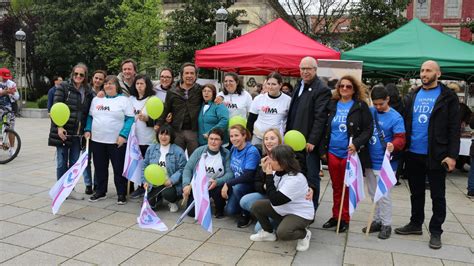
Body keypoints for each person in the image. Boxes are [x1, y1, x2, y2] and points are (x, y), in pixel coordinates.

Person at [395, 60, 460, 250]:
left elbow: (454, 128)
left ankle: (436, 231)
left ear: (438, 74)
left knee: (438, 195)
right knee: (416, 192)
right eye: (422, 70)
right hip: (413, 152)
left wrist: (452, 155)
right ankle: (415, 224)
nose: (424, 73)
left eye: (428, 70)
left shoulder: (448, 97)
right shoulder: (413, 95)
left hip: (437, 154)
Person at [320, 75, 373, 233]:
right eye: (341, 86)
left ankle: (345, 218)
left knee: (347, 187)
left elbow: (368, 129)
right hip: (332, 152)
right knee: (336, 187)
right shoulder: (332, 104)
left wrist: (356, 144)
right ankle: (335, 216)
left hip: (349, 154)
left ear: (354, 89)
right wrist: (322, 149)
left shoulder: (360, 106)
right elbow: (324, 127)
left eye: (348, 86)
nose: (344, 89)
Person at [286, 56, 332, 212]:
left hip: (308, 144)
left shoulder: (322, 89)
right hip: (293, 142)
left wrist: (312, 140)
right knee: (295, 174)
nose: (305, 72)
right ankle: (296, 206)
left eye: (308, 68)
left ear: (315, 69)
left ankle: (311, 209)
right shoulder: (299, 85)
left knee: (312, 177)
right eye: (302, 68)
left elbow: (320, 118)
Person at [250, 145, 314, 252]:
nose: (269, 160)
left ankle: (304, 234)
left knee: (283, 233)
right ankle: (268, 233)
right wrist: (265, 171)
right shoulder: (278, 171)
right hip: (284, 209)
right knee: (257, 206)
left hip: (300, 213)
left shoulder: (295, 179)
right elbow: (267, 188)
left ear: (283, 162)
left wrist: (268, 175)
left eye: (272, 159)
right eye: (269, 157)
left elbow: (275, 200)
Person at [363, 85, 406, 239]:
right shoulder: (371, 111)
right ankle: (377, 220)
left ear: (388, 99)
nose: (378, 107)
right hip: (370, 160)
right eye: (375, 104)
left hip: (386, 163)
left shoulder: (396, 117)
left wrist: (394, 144)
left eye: (381, 103)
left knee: (385, 195)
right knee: (373, 193)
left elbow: (401, 138)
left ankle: (386, 224)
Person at [84, 75, 134, 205]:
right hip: (97, 140)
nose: (108, 86)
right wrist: (87, 129)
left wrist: (123, 135)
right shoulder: (97, 100)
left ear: (117, 86)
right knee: (100, 167)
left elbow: (130, 119)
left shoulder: (124, 100)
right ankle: (101, 191)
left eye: (111, 83)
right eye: (106, 83)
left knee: (118, 168)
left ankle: (121, 193)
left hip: (116, 142)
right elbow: (90, 117)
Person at [48, 63, 94, 198]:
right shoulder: (63, 87)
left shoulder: (88, 91)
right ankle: (60, 189)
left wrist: (86, 129)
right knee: (61, 162)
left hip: (77, 133)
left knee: (74, 163)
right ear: (72, 74)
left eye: (81, 74)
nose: (78, 76)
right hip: (63, 131)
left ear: (85, 76)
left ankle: (70, 190)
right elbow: (56, 107)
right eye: (76, 74)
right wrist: (59, 127)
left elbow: (87, 112)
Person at [182, 128, 233, 218]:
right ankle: (204, 202)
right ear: (208, 139)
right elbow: (188, 169)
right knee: (192, 213)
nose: (213, 142)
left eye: (216, 139)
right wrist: (186, 184)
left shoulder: (226, 154)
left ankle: (219, 208)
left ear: (221, 142)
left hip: (215, 185)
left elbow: (230, 174)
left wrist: (218, 181)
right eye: (211, 138)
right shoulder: (199, 151)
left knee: (218, 191)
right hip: (199, 185)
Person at [156, 62, 202, 156]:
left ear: (196, 75)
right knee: (176, 159)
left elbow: (210, 98)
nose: (189, 76)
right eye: (187, 73)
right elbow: (166, 109)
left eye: (192, 73)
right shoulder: (172, 91)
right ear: (181, 75)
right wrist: (158, 124)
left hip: (194, 131)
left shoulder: (200, 90)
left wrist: (220, 98)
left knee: (195, 160)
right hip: (176, 131)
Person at [240, 128, 282, 231]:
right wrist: (264, 177)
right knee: (244, 201)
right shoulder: (264, 158)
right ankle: (265, 214)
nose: (269, 141)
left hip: (281, 198)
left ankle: (282, 219)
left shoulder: (284, 157)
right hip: (268, 194)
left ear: (279, 140)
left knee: (258, 229)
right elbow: (257, 183)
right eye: (266, 139)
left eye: (272, 138)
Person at [222, 124, 261, 227]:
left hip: (248, 185)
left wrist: (228, 183)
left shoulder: (251, 151)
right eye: (231, 136)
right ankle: (245, 205)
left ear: (244, 136)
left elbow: (248, 175)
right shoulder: (234, 149)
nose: (233, 139)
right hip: (237, 183)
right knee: (229, 211)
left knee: (237, 187)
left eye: (236, 135)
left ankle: (246, 214)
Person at [142, 125, 187, 212]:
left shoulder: (178, 151)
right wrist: (145, 181)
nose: (163, 137)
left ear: (171, 136)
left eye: (167, 134)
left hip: (170, 184)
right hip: (154, 184)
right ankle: (157, 199)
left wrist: (171, 180)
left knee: (168, 193)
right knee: (148, 208)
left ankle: (173, 201)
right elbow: (145, 166)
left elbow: (183, 169)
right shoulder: (151, 149)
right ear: (157, 135)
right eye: (161, 134)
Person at [129, 75, 157, 199]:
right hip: (135, 139)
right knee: (138, 164)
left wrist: (147, 119)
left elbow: (158, 119)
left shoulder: (153, 99)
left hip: (149, 138)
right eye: (137, 84)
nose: (139, 86)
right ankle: (140, 187)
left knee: (148, 164)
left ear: (147, 85)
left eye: (142, 84)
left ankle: (149, 189)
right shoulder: (131, 99)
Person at [247, 72, 291, 145]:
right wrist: (248, 137)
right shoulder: (258, 99)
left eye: (274, 84)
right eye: (268, 84)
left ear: (280, 85)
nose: (270, 87)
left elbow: (290, 121)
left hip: (276, 140)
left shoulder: (288, 100)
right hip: (258, 138)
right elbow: (251, 120)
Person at [0, 68, 20, 157]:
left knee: (11, 129)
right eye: (3, 77)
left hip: (9, 109)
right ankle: (2, 142)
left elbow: (17, 97)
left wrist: (12, 93)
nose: (5, 79)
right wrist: (6, 91)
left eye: (6, 77)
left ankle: (12, 149)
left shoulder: (12, 84)